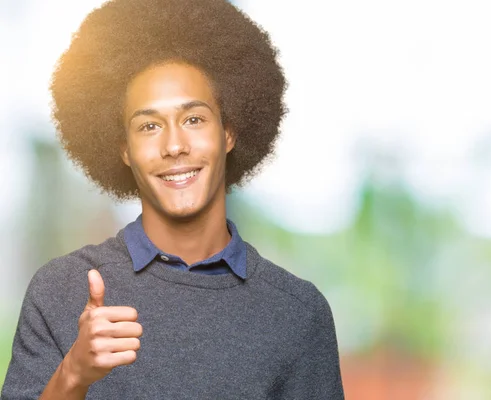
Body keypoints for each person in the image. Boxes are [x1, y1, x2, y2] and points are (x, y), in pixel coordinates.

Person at [0, 0, 345, 398]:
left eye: (194, 119)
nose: (174, 145)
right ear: (125, 150)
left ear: (228, 133)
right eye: (149, 126)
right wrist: (73, 375)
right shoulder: (59, 291)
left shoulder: (297, 314)